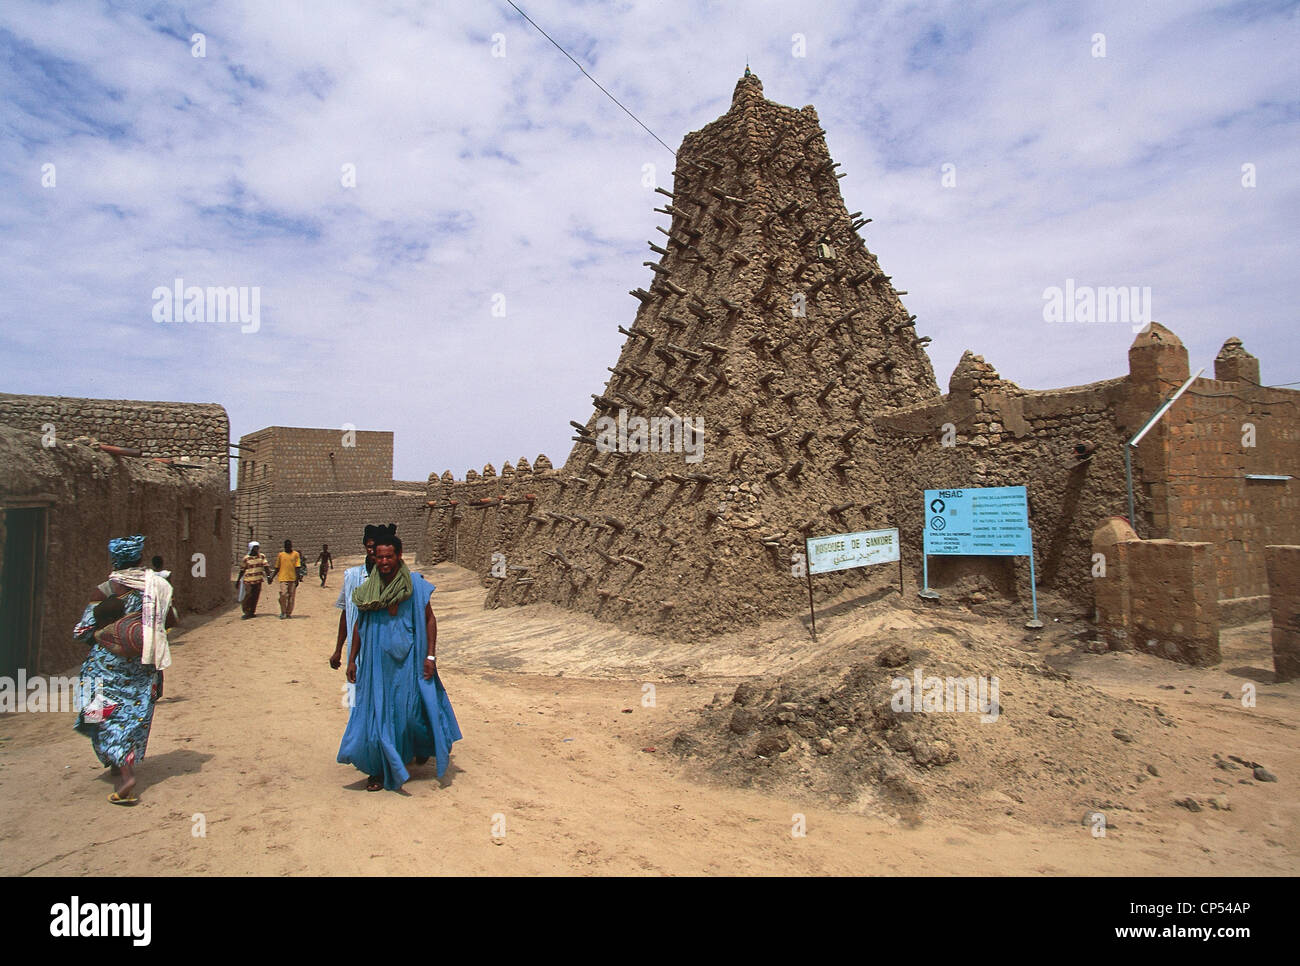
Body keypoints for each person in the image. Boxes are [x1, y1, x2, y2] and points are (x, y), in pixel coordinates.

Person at [338, 525, 461, 792]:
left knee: (408, 714)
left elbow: (429, 619)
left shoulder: (415, 584)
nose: (383, 562)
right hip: (376, 664)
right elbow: (359, 625)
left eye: (388, 557)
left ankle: (417, 747)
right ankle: (378, 769)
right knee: (376, 716)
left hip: (411, 661)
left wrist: (430, 655)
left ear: (399, 555)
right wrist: (352, 659)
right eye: (379, 557)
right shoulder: (368, 590)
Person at [73, 535, 175, 805]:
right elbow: (171, 620)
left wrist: (105, 633)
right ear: (140, 557)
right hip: (143, 664)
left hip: (105, 667)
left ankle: (126, 775)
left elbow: (82, 631)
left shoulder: (107, 589)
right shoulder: (157, 587)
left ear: (115, 559)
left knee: (99, 713)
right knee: (132, 715)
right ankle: (120, 761)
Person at [330, 525, 379, 672]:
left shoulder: (392, 579)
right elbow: (346, 614)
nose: (372, 551)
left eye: (376, 547)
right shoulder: (352, 576)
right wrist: (338, 650)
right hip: (356, 654)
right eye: (369, 547)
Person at [238, 541, 270, 619]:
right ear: (251, 548)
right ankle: (246, 611)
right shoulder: (246, 558)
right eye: (255, 548)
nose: (257, 549)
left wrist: (268, 576)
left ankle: (252, 611)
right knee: (248, 594)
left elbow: (266, 566)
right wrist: (238, 580)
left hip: (258, 580)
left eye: (257, 547)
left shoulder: (261, 556)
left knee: (255, 596)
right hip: (248, 580)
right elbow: (242, 570)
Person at [274, 539, 302, 619]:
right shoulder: (281, 555)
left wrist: (297, 579)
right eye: (286, 546)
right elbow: (277, 567)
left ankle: (288, 613)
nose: (288, 547)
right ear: (284, 546)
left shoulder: (296, 554)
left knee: (291, 597)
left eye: (289, 545)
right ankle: (283, 612)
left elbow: (297, 567)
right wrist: (271, 577)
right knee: (283, 594)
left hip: (292, 579)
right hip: (283, 578)